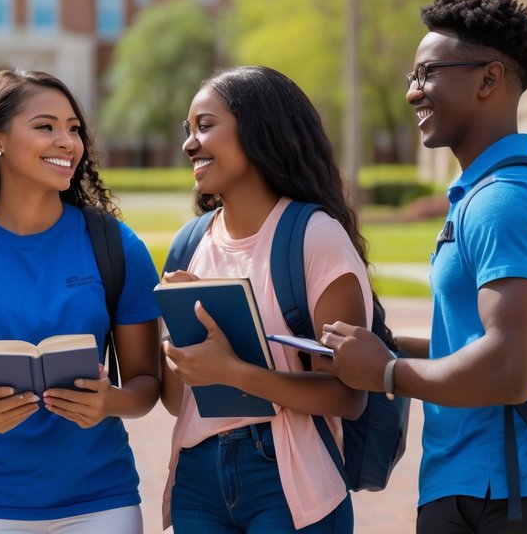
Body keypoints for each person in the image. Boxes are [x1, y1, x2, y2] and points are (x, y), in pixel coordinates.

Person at [322, 0, 527, 532]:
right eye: (413, 77)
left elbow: (510, 370)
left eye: (428, 74)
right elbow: (477, 339)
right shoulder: (495, 190)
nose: (414, 93)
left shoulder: (501, 200)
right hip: (485, 483)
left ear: (489, 80)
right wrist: (379, 345)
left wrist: (386, 372)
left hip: (497, 489)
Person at [0, 69, 160, 534]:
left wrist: (110, 402)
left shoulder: (116, 246)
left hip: (102, 503)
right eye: (46, 126)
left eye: (74, 128)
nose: (67, 141)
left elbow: (146, 386)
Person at [160, 65, 374, 533]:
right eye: (188, 130)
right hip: (197, 477)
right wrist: (180, 358)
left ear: (259, 130)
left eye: (205, 125)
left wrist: (234, 372)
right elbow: (178, 402)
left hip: (289, 480)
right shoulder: (188, 244)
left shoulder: (315, 237)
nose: (189, 144)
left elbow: (348, 395)